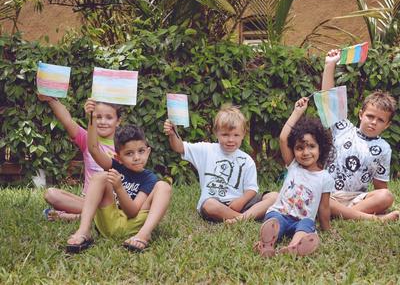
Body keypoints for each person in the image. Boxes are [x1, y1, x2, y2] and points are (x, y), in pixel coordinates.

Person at [65, 98, 171, 253]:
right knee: (100, 177)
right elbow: (94, 149)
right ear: (118, 157)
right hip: (109, 222)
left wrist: (119, 188)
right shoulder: (116, 167)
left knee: (163, 186)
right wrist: (92, 117)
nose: (136, 157)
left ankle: (144, 235)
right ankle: (84, 230)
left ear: (148, 152)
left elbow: (133, 212)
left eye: (141, 151)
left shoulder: (149, 178)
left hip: (133, 226)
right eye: (129, 153)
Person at [321, 49, 399, 221]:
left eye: (380, 120)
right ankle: (371, 219)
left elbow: (380, 187)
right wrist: (330, 64)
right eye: (370, 116)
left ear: (387, 125)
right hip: (329, 194)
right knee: (318, 194)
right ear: (360, 114)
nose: (373, 122)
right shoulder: (342, 128)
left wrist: (379, 201)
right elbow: (328, 99)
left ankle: (344, 214)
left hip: (355, 199)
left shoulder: (384, 149)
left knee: (386, 196)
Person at [163, 104, 277, 223]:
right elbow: (179, 147)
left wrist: (240, 201)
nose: (231, 140)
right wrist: (172, 133)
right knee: (209, 204)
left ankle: (239, 218)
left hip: (240, 203)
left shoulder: (246, 160)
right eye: (225, 135)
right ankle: (245, 218)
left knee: (274, 197)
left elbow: (251, 189)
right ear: (216, 133)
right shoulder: (206, 150)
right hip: (216, 203)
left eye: (236, 135)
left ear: (243, 135)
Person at [254, 97, 334, 257]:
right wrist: (297, 112)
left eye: (311, 146)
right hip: (280, 214)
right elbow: (283, 138)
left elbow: (324, 208)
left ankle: (293, 247)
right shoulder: (293, 166)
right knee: (275, 222)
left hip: (302, 220)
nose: (305, 152)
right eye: (299, 148)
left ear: (321, 148)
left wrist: (328, 230)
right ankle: (268, 243)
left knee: (307, 226)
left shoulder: (325, 178)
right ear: (294, 150)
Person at [38, 94, 120, 221]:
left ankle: (73, 216)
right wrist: (50, 99)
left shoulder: (124, 146)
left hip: (113, 203)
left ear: (118, 121)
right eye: (98, 117)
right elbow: (67, 121)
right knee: (51, 194)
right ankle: (93, 216)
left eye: (109, 118)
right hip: (87, 200)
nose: (103, 122)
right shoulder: (87, 139)